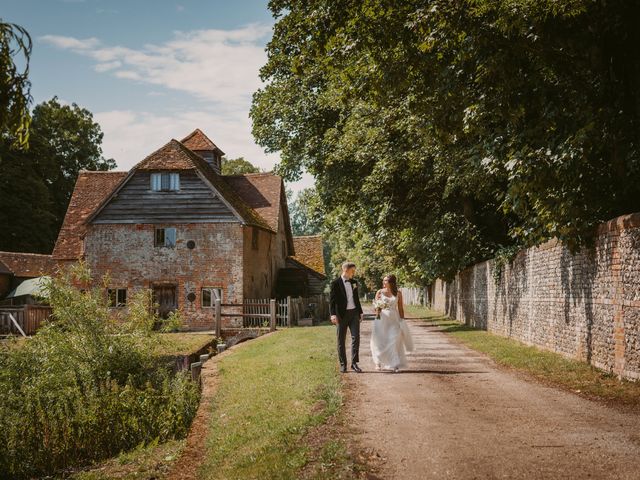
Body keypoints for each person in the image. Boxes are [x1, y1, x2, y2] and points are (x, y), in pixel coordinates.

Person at [370, 274, 414, 372]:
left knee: (393, 341)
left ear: (391, 283)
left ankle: (394, 364)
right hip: (381, 319)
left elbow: (401, 309)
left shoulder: (398, 293)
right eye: (384, 280)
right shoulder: (379, 292)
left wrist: (402, 320)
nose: (383, 282)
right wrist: (377, 308)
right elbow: (375, 307)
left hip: (394, 319)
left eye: (386, 281)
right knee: (380, 341)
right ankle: (378, 362)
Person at [330, 261, 364, 373]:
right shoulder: (335, 283)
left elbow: (356, 299)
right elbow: (332, 301)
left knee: (356, 338)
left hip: (354, 313)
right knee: (341, 340)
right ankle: (343, 364)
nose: (354, 273)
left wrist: (360, 312)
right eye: (352, 270)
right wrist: (333, 315)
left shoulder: (354, 282)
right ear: (345, 270)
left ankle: (354, 364)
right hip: (341, 315)